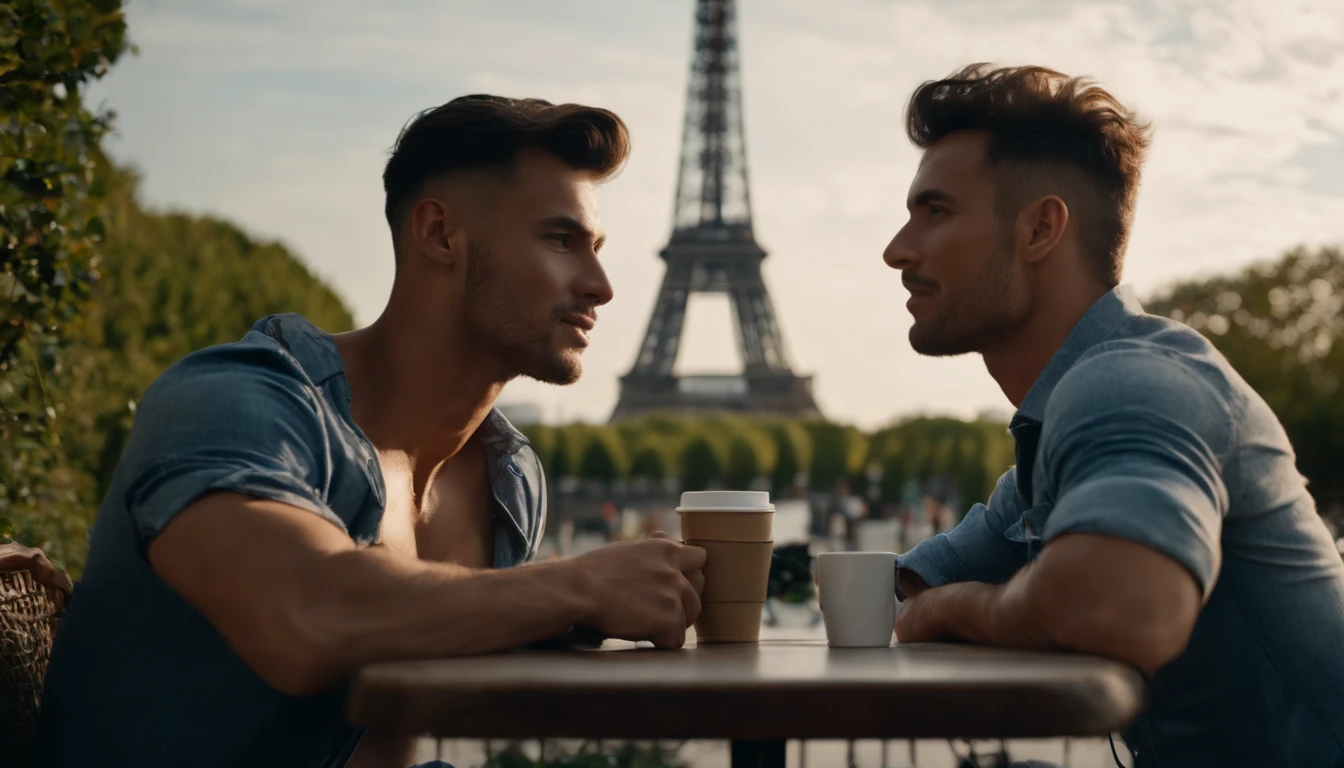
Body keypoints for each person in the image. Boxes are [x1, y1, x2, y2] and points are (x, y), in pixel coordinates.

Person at [36, 96, 707, 768]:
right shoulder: (233, 403)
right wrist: (579, 586)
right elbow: (306, 617)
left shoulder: (506, 478)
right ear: (440, 233)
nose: (601, 285)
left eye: (595, 248)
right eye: (561, 240)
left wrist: (581, 609)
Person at [884, 64, 1344, 767]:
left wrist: (953, 610)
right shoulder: (1061, 427)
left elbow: (1119, 609)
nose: (897, 249)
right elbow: (905, 591)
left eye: (935, 211)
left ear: (1040, 229)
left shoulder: (1127, 384)